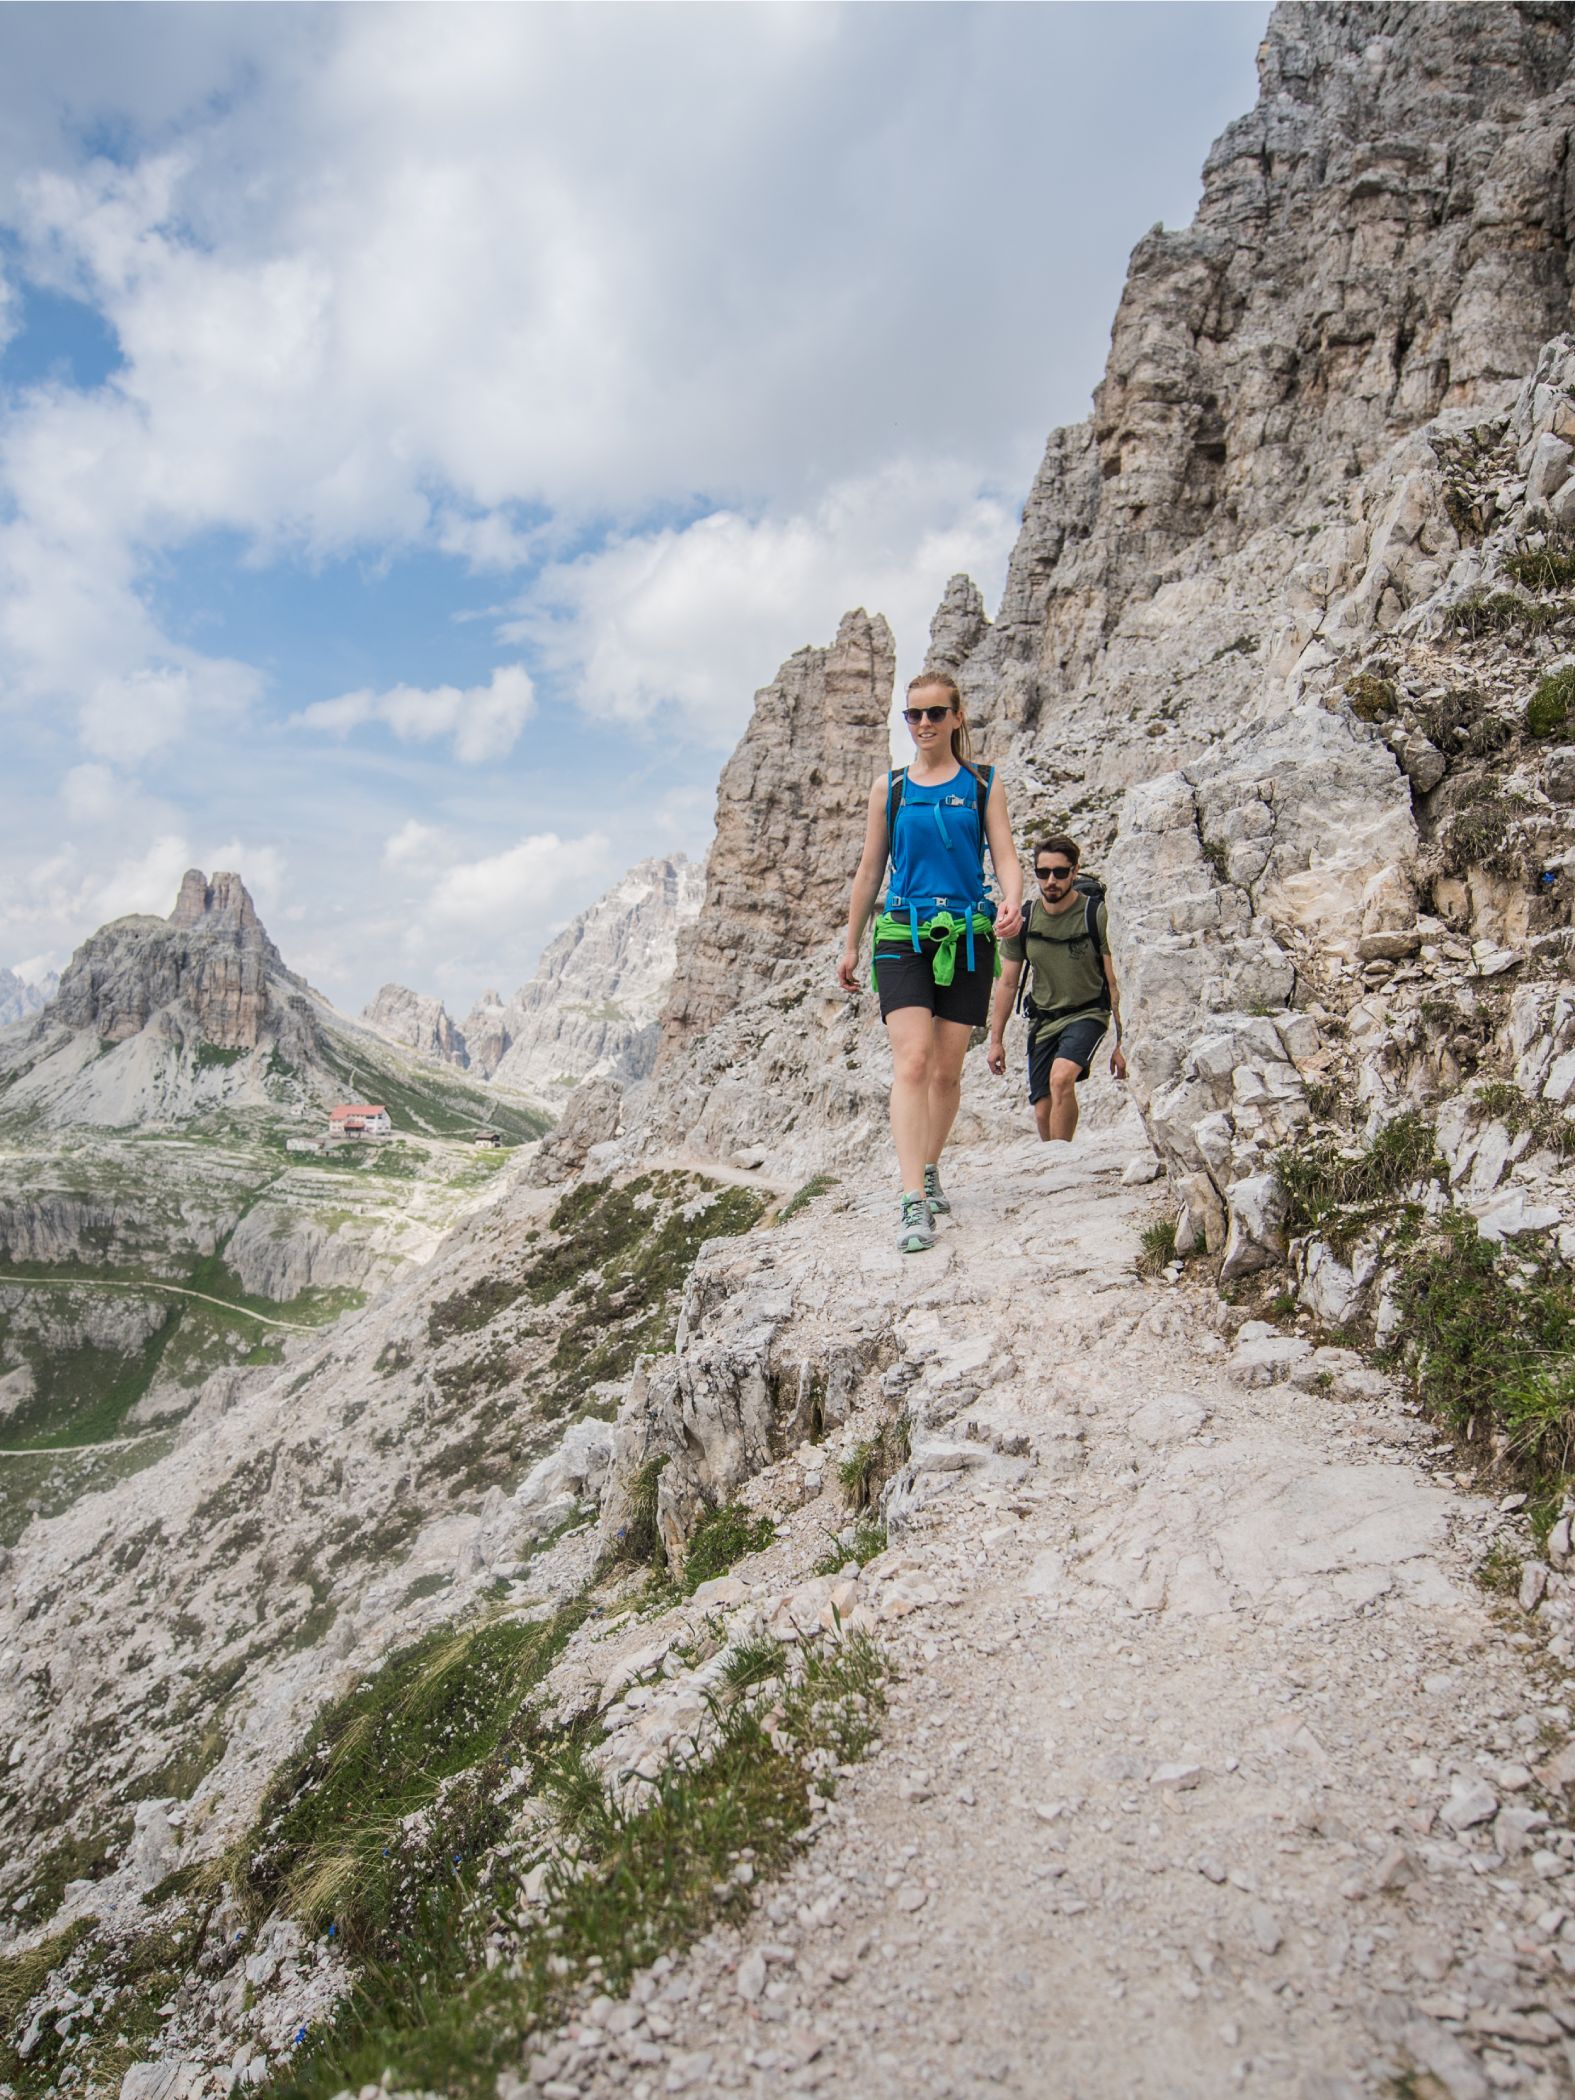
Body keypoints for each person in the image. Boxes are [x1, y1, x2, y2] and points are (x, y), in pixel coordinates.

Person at [838, 670, 1022, 1252]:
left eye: (935, 713)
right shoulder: (888, 790)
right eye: (913, 715)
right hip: (900, 934)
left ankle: (932, 1165)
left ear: (958, 717)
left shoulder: (984, 784)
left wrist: (1013, 901)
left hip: (969, 936)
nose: (923, 724)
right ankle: (913, 1199)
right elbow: (871, 870)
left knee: (946, 1070)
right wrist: (850, 943)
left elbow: (1006, 857)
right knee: (912, 1061)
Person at [987, 834, 1126, 1143]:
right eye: (1043, 872)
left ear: (1074, 872)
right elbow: (1008, 982)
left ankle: (1062, 1157)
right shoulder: (1024, 919)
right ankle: (1055, 1158)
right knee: (1041, 1111)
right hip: (1043, 1021)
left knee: (1061, 1079)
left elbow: (1115, 983)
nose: (1051, 880)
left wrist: (1122, 1042)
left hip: (1087, 1012)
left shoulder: (1095, 915)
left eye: (1060, 873)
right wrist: (995, 1040)